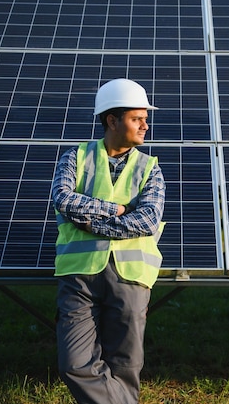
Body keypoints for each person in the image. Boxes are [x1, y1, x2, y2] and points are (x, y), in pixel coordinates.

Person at [52, 78, 165, 404]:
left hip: (131, 277)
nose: (145, 124)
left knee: (126, 365)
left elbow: (146, 220)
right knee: (73, 363)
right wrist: (115, 210)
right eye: (136, 118)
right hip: (78, 275)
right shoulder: (76, 157)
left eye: (144, 117)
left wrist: (92, 222)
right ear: (111, 121)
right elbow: (63, 200)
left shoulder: (150, 169)